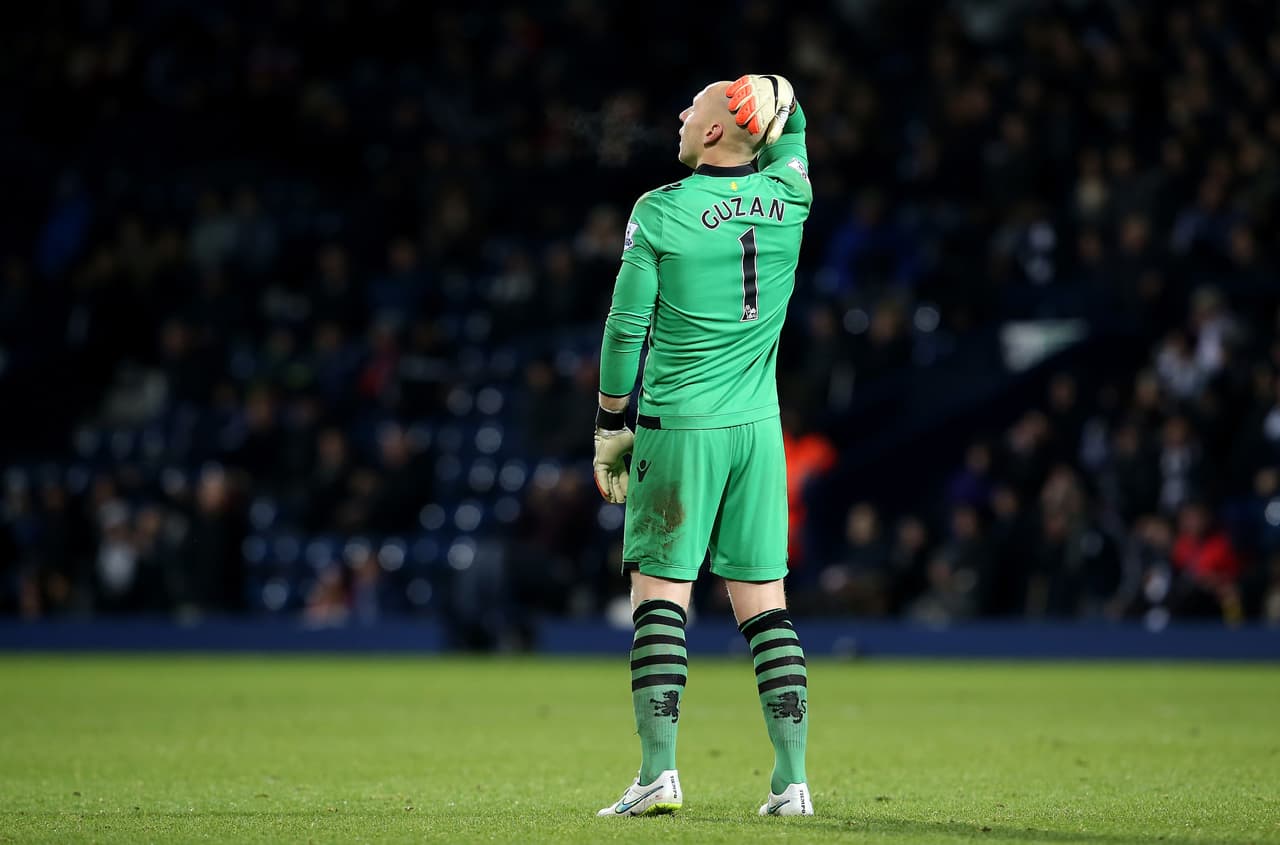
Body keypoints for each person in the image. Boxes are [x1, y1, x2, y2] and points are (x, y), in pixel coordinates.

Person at [591, 74, 813, 818]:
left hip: (680, 427)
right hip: (758, 429)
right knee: (765, 605)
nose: (683, 113)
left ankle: (658, 772)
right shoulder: (791, 196)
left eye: (698, 106)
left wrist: (609, 422)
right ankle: (792, 782)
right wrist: (769, 99)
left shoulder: (660, 211)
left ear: (719, 130)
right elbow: (795, 122)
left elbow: (626, 329)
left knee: (659, 596)